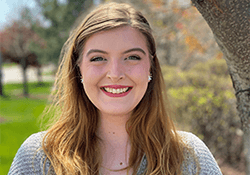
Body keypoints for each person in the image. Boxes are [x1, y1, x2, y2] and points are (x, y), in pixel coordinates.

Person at [8, 2, 223, 175]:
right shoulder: (38, 158)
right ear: (79, 69)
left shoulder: (190, 157)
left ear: (151, 68)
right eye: (99, 58)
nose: (115, 73)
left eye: (132, 57)